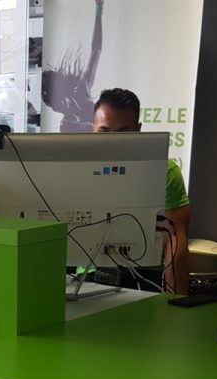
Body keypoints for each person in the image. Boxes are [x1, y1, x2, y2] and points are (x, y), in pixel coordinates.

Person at [91, 88, 192, 293]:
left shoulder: (164, 171)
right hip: (86, 276)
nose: (113, 142)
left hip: (144, 280)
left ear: (138, 130)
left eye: (123, 133)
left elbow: (174, 241)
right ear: (92, 128)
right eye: (104, 132)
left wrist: (175, 303)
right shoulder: (72, 169)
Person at [42, 0, 103, 132]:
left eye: (58, 104)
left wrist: (99, 9)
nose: (57, 109)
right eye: (54, 107)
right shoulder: (65, 125)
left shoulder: (82, 88)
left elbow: (96, 50)